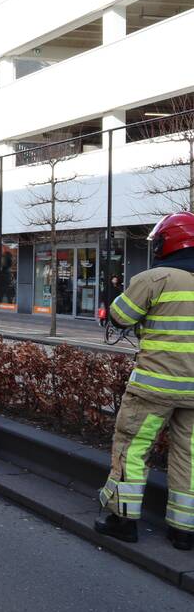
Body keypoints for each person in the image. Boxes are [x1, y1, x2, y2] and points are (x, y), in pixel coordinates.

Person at [95, 212, 194, 551]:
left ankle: (123, 522)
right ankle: (183, 531)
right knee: (190, 456)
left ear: (169, 242)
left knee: (133, 448)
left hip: (155, 387)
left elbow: (120, 316)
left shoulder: (156, 277)